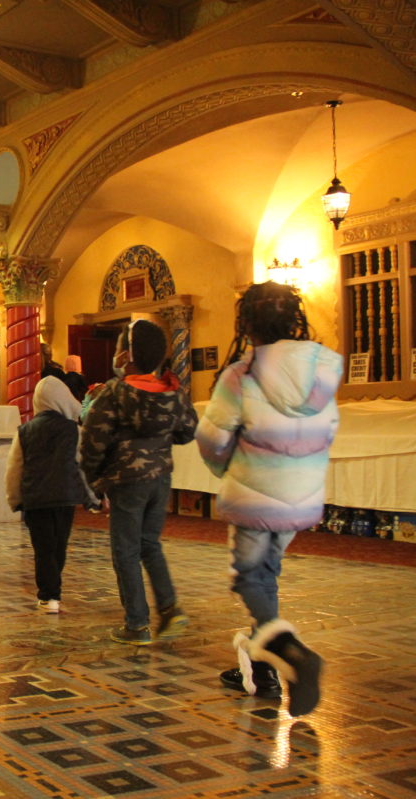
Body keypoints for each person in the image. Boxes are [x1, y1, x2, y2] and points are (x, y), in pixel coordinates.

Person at [196, 281, 340, 717]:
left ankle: (295, 654)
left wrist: (227, 469)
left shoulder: (242, 375)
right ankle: (264, 673)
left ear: (247, 323)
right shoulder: (322, 369)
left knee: (249, 578)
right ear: (294, 318)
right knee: (266, 575)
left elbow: (212, 438)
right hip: (301, 493)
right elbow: (329, 429)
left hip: (256, 494)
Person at [80, 319, 196, 646]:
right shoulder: (173, 392)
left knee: (126, 551)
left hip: (126, 481)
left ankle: (136, 623)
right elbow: (188, 431)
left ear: (126, 356)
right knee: (149, 544)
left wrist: (93, 481)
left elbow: (93, 440)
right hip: (160, 479)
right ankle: (170, 609)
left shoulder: (114, 393)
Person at [6, 376, 96, 611]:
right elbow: (83, 465)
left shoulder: (25, 431)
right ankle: (53, 589)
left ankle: (48, 595)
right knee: (59, 545)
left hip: (36, 499)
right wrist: (92, 497)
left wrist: (14, 498)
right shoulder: (74, 430)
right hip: (65, 498)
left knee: (43, 548)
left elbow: (15, 468)